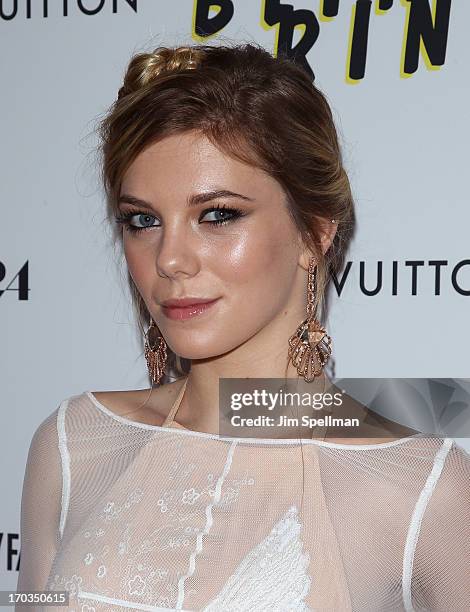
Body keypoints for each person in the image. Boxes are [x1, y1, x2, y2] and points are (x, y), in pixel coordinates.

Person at [16, 43, 470, 611]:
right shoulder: (75, 441)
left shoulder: (417, 488)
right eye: (143, 221)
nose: (170, 259)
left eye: (218, 215)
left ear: (314, 233)